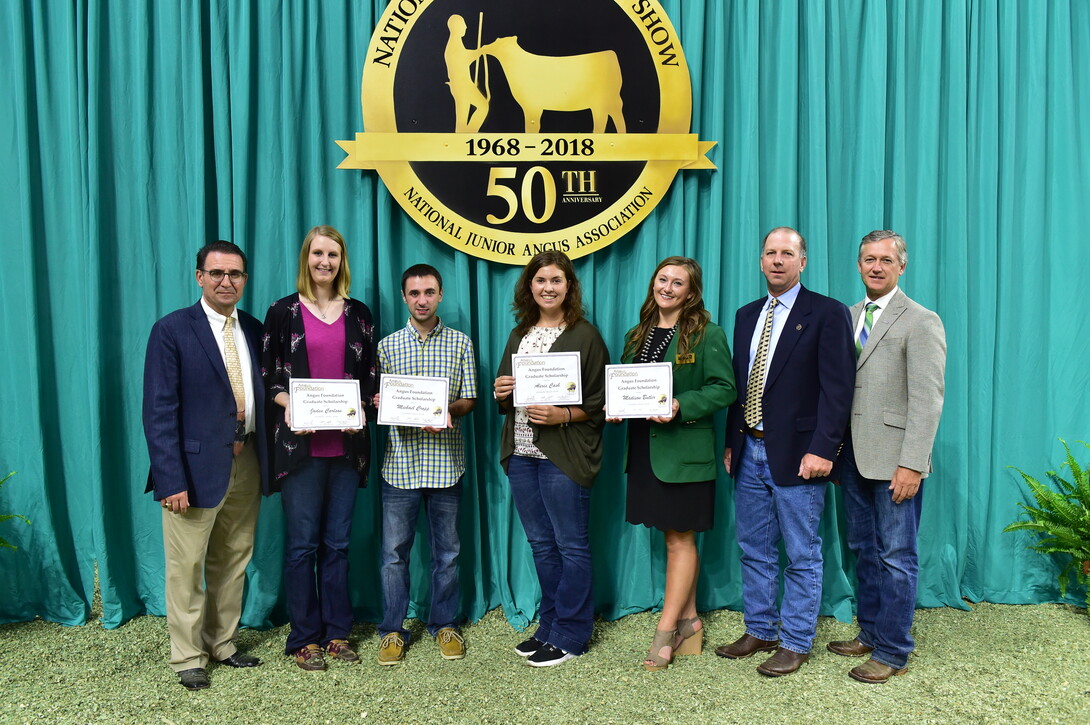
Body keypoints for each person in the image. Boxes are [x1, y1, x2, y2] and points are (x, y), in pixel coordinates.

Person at [715, 227, 855, 676]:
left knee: (801, 552)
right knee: (753, 548)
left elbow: (838, 390)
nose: (778, 260)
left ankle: (795, 640)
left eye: (787, 253)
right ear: (760, 262)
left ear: (802, 262)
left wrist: (824, 450)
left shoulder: (828, 313)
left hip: (800, 455)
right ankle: (761, 628)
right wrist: (731, 442)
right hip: (749, 449)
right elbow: (740, 387)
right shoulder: (745, 315)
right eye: (771, 253)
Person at [143, 240, 270, 691]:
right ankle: (187, 656)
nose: (226, 281)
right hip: (192, 471)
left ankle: (223, 643)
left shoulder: (254, 329)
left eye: (235, 274)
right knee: (186, 565)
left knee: (234, 558)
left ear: (245, 280)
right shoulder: (173, 330)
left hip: (247, 457)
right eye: (216, 273)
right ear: (199, 276)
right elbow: (158, 411)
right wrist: (170, 478)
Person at [827, 230, 946, 683]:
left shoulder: (921, 320)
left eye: (885, 260)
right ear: (858, 265)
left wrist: (913, 463)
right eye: (868, 259)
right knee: (863, 549)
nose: (876, 267)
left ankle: (894, 650)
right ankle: (872, 632)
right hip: (854, 459)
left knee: (897, 554)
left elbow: (928, 399)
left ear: (901, 266)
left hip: (897, 460)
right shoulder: (849, 316)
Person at [612, 257, 736, 671]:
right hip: (647, 451)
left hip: (684, 453)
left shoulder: (707, 334)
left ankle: (665, 632)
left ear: (690, 291)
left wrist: (682, 404)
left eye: (677, 282)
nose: (667, 287)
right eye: (662, 278)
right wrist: (617, 406)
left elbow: (724, 388)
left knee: (679, 539)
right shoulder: (637, 335)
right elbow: (630, 388)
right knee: (672, 537)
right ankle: (690, 621)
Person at [261, 225, 376, 672]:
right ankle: (303, 638)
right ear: (305, 258)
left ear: (342, 260)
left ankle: (337, 633)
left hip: (346, 449)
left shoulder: (360, 314)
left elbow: (370, 377)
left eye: (332, 254)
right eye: (317, 254)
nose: (324, 262)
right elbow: (269, 376)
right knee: (302, 547)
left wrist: (368, 404)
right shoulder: (282, 311)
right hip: (300, 450)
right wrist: (291, 404)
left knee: (338, 544)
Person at [493, 251, 609, 667]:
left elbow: (602, 402)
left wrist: (563, 414)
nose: (547, 287)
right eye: (540, 280)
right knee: (542, 545)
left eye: (556, 280)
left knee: (571, 545)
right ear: (530, 287)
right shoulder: (519, 334)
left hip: (563, 455)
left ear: (569, 287)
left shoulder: (585, 335)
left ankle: (573, 634)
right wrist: (501, 392)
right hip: (522, 453)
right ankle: (549, 625)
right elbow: (506, 399)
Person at [374, 264, 478, 665]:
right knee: (393, 554)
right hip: (399, 466)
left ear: (441, 295)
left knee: (447, 553)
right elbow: (378, 401)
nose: (422, 300)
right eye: (414, 293)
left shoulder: (461, 344)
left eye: (429, 292)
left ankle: (444, 623)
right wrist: (381, 403)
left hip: (446, 464)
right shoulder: (386, 347)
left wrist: (446, 411)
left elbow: (469, 399)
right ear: (404, 297)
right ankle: (392, 630)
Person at [445, 14, 489, 132]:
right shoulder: (453, 44)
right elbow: (463, 57)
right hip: (461, 86)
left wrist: (481, 51)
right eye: (463, 24)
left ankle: (467, 134)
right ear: (457, 27)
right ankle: (466, 135)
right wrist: (481, 51)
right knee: (476, 110)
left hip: (464, 85)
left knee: (479, 109)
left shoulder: (456, 42)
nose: (466, 27)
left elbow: (464, 56)